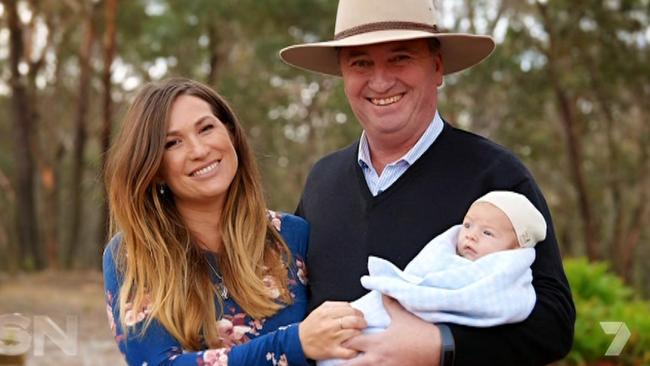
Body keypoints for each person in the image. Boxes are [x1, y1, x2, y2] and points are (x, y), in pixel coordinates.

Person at [280, 0, 576, 365]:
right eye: (360, 63)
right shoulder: (321, 181)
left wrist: (441, 345)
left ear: (437, 67)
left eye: (400, 57)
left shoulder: (496, 176)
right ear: (343, 73)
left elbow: (555, 324)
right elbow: (290, 305)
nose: (381, 80)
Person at [102, 78, 366, 366]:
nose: (199, 150)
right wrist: (295, 343)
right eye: (172, 143)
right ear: (155, 170)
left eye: (206, 128)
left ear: (231, 134)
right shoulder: (132, 255)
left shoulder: (293, 236)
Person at [320, 191, 547, 366]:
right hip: (368, 321)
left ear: (515, 247)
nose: (471, 235)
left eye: (487, 233)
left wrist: (438, 343)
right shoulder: (444, 257)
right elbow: (419, 277)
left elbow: (477, 302)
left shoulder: (501, 276)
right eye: (468, 225)